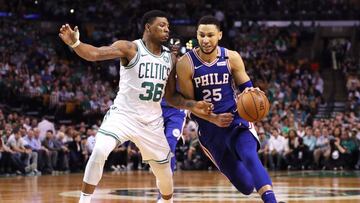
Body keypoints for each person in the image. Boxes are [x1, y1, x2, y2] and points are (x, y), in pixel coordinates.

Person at [59, 10, 211, 203]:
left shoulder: (170, 58)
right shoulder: (130, 48)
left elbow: (172, 98)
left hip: (152, 122)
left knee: (164, 172)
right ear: (148, 27)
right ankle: (84, 199)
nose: (167, 29)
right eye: (162, 25)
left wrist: (194, 105)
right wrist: (75, 44)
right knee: (99, 150)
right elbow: (95, 54)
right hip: (123, 116)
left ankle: (167, 201)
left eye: (168, 26)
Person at [175, 16, 280, 203]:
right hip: (210, 130)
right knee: (247, 186)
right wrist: (213, 118)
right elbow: (188, 105)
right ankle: (241, 166)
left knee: (249, 156)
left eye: (210, 35)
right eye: (201, 35)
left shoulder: (231, 57)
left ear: (220, 35)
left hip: (235, 119)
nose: (205, 40)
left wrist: (252, 92)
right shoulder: (186, 63)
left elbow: (246, 87)